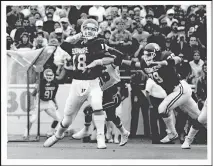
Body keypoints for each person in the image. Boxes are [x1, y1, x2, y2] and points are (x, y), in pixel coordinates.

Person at [43, 19, 116, 149]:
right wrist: (76, 36)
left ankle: (101, 136)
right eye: (86, 28)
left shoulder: (98, 42)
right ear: (82, 30)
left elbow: (110, 58)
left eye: (92, 29)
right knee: (67, 118)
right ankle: (57, 135)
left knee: (97, 106)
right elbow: (64, 44)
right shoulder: (76, 44)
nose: (89, 31)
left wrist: (97, 62)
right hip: (76, 84)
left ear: (96, 31)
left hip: (93, 82)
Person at [116, 43, 202, 143]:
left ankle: (172, 133)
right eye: (145, 54)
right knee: (201, 118)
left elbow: (179, 59)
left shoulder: (164, 56)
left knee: (162, 109)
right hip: (175, 93)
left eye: (149, 54)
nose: (146, 57)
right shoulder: (145, 63)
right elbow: (135, 64)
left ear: (155, 54)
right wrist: (121, 61)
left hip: (180, 88)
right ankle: (188, 138)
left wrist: (164, 63)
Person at [72, 64, 130, 146]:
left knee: (89, 110)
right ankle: (124, 132)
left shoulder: (110, 72)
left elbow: (112, 80)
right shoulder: (95, 72)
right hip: (105, 99)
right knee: (112, 116)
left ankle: (86, 130)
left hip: (113, 98)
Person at [23, 65, 62, 139]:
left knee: (58, 118)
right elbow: (33, 94)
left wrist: (56, 103)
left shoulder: (55, 84)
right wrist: (32, 104)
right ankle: (26, 133)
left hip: (48, 103)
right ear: (44, 75)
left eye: (50, 75)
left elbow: (53, 96)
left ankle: (50, 132)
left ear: (53, 75)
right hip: (39, 103)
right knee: (33, 119)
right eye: (47, 75)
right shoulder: (41, 82)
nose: (49, 76)